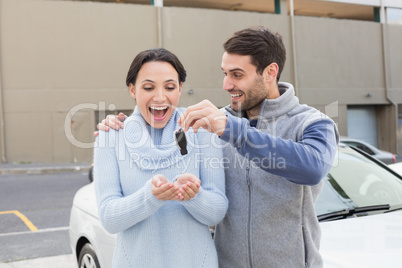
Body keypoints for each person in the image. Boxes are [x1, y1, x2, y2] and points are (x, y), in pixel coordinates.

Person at [97, 26, 339, 268]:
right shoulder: (212, 124)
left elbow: (313, 167)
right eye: (224, 73)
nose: (226, 84)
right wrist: (123, 127)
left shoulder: (313, 122)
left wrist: (232, 130)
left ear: (270, 72)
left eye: (236, 74)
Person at [94, 48, 228, 268]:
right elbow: (109, 218)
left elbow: (216, 213)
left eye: (170, 87)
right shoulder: (110, 138)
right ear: (132, 89)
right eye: (148, 87)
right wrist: (151, 196)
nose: (160, 97)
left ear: (180, 88)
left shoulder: (202, 132)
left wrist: (193, 196)